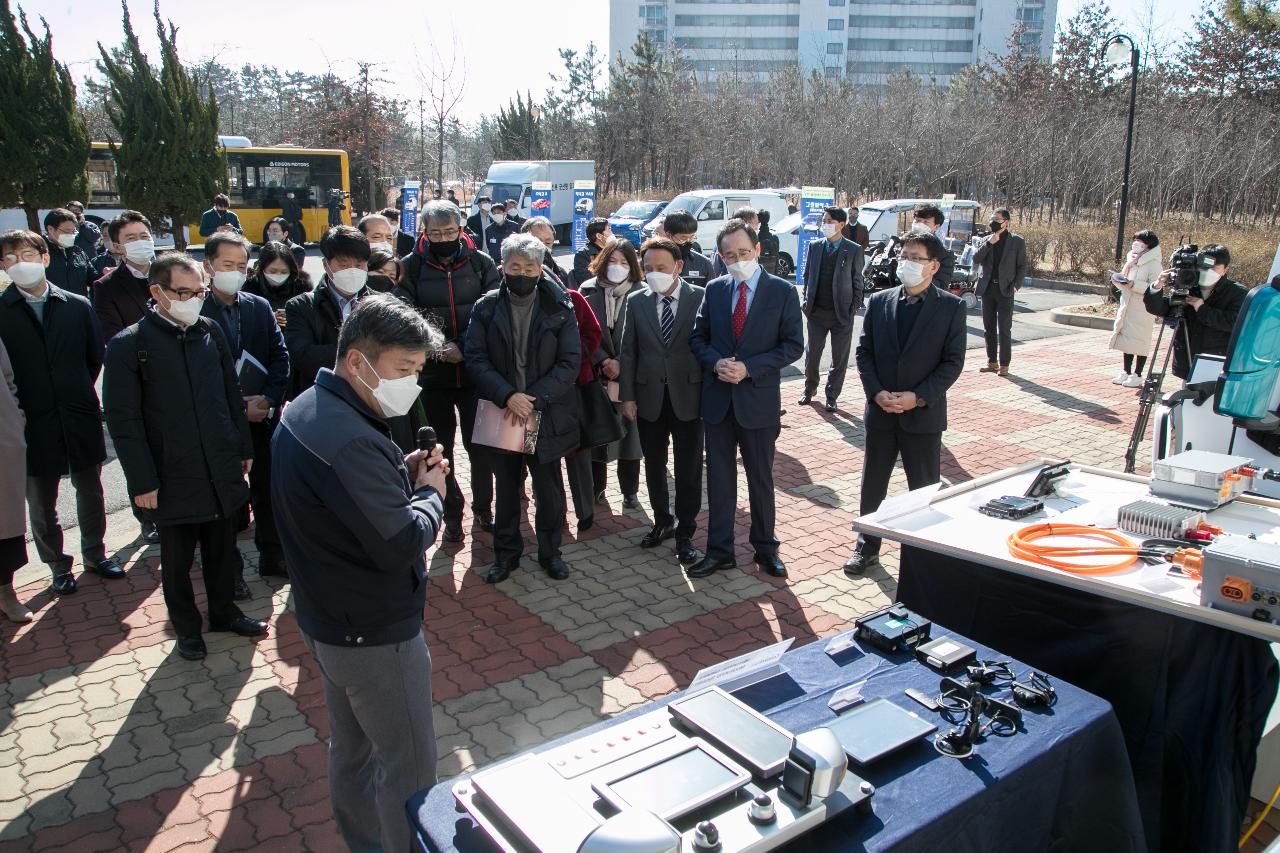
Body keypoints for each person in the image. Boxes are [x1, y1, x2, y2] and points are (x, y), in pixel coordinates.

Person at [272, 294, 446, 853]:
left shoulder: (308, 409)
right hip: (375, 631)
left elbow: (344, 505)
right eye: (404, 370)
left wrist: (397, 473)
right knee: (410, 769)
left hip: (328, 617)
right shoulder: (349, 439)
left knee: (352, 750)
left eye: (418, 372)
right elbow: (400, 542)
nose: (412, 384)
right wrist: (429, 495)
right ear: (357, 362)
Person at [103, 253, 267, 660]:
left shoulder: (209, 330)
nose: (195, 299)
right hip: (170, 473)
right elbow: (124, 424)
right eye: (184, 292)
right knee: (176, 563)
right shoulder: (129, 346)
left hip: (218, 464)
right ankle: (187, 628)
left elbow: (230, 396)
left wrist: (242, 447)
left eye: (200, 291)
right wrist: (142, 482)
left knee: (221, 549)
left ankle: (224, 612)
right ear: (156, 292)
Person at [0, 230, 122, 594]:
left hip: (78, 411)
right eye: (10, 258)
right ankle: (57, 564)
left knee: (91, 489)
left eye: (28, 254)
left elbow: (93, 358)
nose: (21, 263)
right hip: (29, 420)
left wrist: (72, 390)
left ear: (45, 257)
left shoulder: (76, 305)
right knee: (41, 501)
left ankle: (96, 554)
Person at [843, 232, 967, 576]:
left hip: (923, 415)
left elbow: (952, 363)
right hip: (881, 411)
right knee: (873, 485)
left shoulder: (951, 307)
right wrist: (876, 391)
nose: (907, 263)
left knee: (923, 488)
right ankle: (867, 547)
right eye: (904, 255)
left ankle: (923, 554)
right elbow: (864, 353)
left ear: (933, 266)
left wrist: (918, 396)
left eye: (916, 258)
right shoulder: (880, 301)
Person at [688, 220, 804, 579]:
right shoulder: (716, 289)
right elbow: (698, 338)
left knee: (760, 480)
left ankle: (766, 548)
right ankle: (720, 550)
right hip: (719, 402)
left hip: (758, 402)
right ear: (720, 258)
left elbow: (793, 346)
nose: (736, 260)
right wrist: (716, 361)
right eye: (728, 255)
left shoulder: (782, 292)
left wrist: (750, 368)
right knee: (720, 482)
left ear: (757, 250)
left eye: (742, 252)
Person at [464, 233, 581, 584]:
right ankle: (506, 554)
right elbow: (475, 357)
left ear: (540, 268)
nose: (522, 273)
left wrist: (533, 398)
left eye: (530, 267)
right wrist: (507, 396)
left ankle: (551, 553)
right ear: (502, 266)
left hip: (543, 412)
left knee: (548, 489)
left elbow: (570, 362)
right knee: (508, 488)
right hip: (504, 412)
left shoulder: (559, 307)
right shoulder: (485, 306)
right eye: (515, 266)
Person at [393, 199, 501, 539]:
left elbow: (493, 312)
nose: (443, 238)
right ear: (424, 232)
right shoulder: (410, 267)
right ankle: (451, 512)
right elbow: (404, 313)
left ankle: (484, 508)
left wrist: (464, 348)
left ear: (461, 229)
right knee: (440, 450)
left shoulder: (481, 264)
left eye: (450, 231)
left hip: (475, 374)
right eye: (436, 232)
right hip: (432, 375)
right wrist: (439, 347)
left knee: (481, 447)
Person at [200, 233, 291, 583]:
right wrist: (237, 407)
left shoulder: (257, 306)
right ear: (208, 266)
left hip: (262, 417)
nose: (234, 272)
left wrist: (268, 399)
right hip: (220, 422)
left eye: (241, 265)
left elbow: (280, 356)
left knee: (268, 490)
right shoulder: (197, 310)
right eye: (227, 265)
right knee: (226, 501)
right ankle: (230, 573)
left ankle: (272, 555)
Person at [620, 238, 705, 565]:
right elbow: (628, 352)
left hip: (689, 397)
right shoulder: (637, 301)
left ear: (678, 267)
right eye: (649, 268)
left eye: (662, 268)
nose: (654, 274)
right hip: (648, 397)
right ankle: (662, 521)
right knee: (654, 465)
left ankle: (685, 533)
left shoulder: (701, 297)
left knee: (689, 469)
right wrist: (628, 395)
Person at [523, 217, 604, 530]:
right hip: (528, 394)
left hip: (572, 389)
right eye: (534, 242)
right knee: (539, 459)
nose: (539, 250)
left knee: (577, 453)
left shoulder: (568, 292)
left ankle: (584, 512)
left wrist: (570, 362)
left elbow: (591, 335)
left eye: (545, 243)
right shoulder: (503, 297)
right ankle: (551, 515)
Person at [579, 238, 644, 508]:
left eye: (624, 262)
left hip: (631, 378)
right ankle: (597, 488)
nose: (618, 267)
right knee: (597, 434)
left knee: (631, 437)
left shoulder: (643, 292)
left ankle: (630, 490)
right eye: (612, 261)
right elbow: (578, 332)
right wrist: (603, 359)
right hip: (596, 376)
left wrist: (622, 363)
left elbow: (648, 339)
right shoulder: (586, 290)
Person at [284, 225, 372, 398]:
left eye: (359, 265)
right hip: (321, 398)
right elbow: (304, 357)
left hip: (368, 399)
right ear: (326, 265)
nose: (352, 271)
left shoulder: (381, 304)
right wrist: (362, 353)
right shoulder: (301, 306)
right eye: (344, 265)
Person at [1143, 243, 1248, 381]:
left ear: (1225, 270)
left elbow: (1233, 323)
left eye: (1214, 268)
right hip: (1187, 359)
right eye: (1204, 267)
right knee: (1186, 398)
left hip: (1217, 361)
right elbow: (1158, 308)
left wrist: (1201, 308)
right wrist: (1157, 286)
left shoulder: (1237, 293)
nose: (1208, 271)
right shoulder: (1188, 283)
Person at [800, 206, 864, 413]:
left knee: (839, 358)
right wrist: (805, 301)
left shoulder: (853, 249)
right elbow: (807, 276)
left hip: (841, 314)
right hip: (817, 312)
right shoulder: (815, 246)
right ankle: (809, 388)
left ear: (841, 224)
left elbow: (858, 282)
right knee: (812, 354)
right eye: (824, 220)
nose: (825, 225)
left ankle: (832, 394)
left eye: (829, 221)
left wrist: (853, 307)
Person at [973, 208, 1028, 376]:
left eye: (997, 219)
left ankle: (1004, 364)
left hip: (1005, 290)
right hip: (987, 288)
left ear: (1006, 222)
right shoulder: (986, 239)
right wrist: (990, 243)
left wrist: (1016, 285)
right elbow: (976, 259)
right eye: (992, 218)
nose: (993, 221)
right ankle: (992, 362)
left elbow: (1022, 265)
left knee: (1004, 328)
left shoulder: (1016, 241)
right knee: (988, 327)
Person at [0, 338, 32, 622]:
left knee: (4, 527)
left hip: (2, 439)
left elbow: (8, 379)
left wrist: (15, 419)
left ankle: (6, 593)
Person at [93, 210, 158, 342]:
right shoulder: (106, 286)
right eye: (131, 238)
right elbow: (113, 337)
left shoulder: (172, 275)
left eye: (144, 236)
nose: (140, 242)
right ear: (117, 247)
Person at [1109, 230, 1162, 387]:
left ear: (1149, 245)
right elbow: (1124, 279)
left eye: (1140, 241)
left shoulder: (1154, 263)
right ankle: (1126, 371)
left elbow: (1155, 286)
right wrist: (1118, 280)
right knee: (1127, 339)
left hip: (1144, 307)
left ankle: (1138, 374)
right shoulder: (1131, 259)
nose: (1136, 244)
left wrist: (1135, 285)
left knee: (1140, 341)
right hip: (1128, 304)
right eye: (1135, 240)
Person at [245, 240, 313, 327]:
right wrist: (268, 318)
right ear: (262, 269)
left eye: (284, 272)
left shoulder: (301, 289)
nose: (278, 275)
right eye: (273, 271)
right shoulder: (250, 290)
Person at [42, 208, 93, 297]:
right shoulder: (39, 253)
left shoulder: (78, 252)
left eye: (73, 232)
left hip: (78, 306)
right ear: (50, 229)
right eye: (66, 231)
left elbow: (93, 278)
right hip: (52, 308)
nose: (71, 235)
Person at [660, 211, 716, 287]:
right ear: (668, 235)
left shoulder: (704, 264)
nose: (688, 242)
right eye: (683, 238)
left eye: (692, 237)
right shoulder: (653, 262)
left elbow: (711, 294)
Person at [912, 204, 954, 287]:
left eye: (926, 222)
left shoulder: (944, 255)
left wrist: (914, 279)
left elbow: (941, 285)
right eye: (917, 221)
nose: (920, 225)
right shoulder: (903, 248)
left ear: (936, 226)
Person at [710, 207, 759, 278]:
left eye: (743, 254)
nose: (739, 260)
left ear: (757, 249)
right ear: (745, 222)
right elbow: (716, 270)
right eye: (731, 256)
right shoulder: (723, 243)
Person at [572, 217, 612, 287]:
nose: (612, 234)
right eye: (609, 230)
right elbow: (585, 280)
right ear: (599, 236)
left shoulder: (614, 250)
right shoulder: (583, 254)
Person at [757, 209, 780, 275]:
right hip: (772, 273)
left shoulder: (756, 236)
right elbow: (777, 258)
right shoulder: (774, 237)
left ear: (759, 220)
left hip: (758, 273)